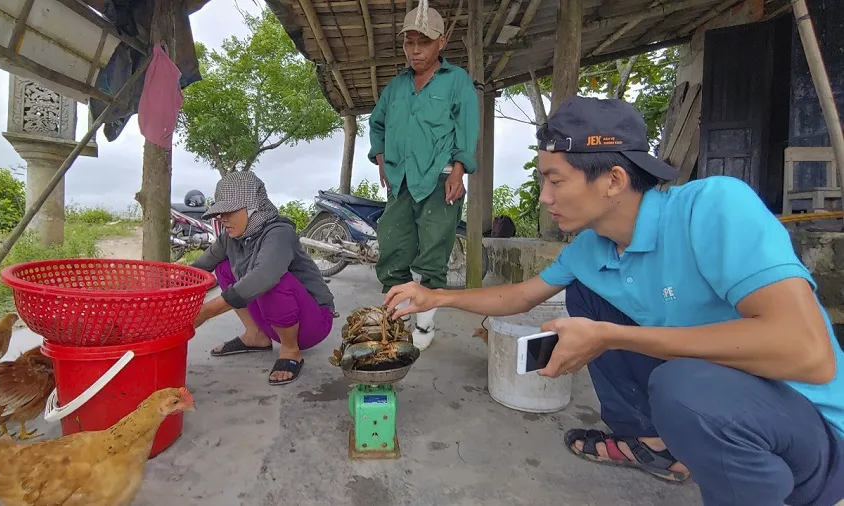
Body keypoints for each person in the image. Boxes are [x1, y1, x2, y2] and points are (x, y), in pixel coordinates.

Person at [384, 96, 844, 506]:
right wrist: (435, 296)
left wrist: (608, 336)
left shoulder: (714, 207)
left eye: (555, 181)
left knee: (684, 391)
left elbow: (808, 354)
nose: (544, 198)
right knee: (588, 292)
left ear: (613, 179)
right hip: (721, 393)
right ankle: (653, 442)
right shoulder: (593, 246)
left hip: (812, 432)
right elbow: (522, 295)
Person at [367, 5, 479, 351]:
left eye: (424, 43)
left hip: (440, 178)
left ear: (441, 43)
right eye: (409, 43)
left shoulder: (456, 80)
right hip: (400, 180)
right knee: (392, 249)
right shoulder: (396, 86)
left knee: (433, 252)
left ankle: (425, 328)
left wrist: (459, 172)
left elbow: (466, 128)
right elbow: (378, 123)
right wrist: (382, 158)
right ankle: (401, 320)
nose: (415, 50)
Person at [191, 170, 335, 385]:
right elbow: (199, 270)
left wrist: (206, 311)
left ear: (253, 208)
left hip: (313, 323)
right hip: (270, 319)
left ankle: (290, 350)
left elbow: (264, 277)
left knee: (269, 280)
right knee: (223, 267)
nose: (223, 219)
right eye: (220, 213)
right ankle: (255, 335)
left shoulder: (279, 233)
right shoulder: (229, 238)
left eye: (229, 211)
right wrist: (164, 293)